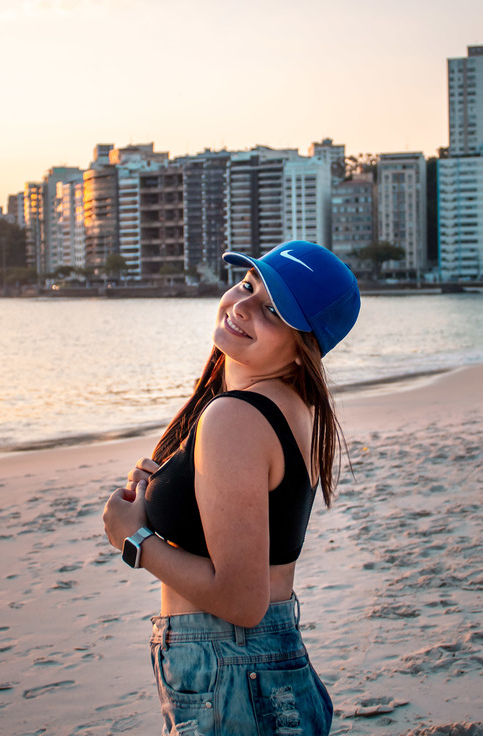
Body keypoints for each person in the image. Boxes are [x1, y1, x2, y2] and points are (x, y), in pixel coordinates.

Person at [102, 240, 360, 735]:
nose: (242, 306)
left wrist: (133, 540)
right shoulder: (288, 407)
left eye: (272, 310)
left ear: (304, 347)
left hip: (229, 671)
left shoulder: (236, 417)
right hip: (258, 665)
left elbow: (242, 599)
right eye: (247, 284)